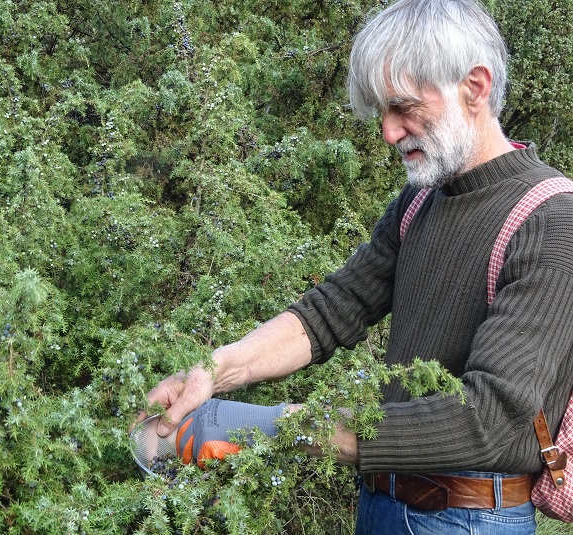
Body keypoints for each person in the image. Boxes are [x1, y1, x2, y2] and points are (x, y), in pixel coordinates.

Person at [145, 0, 573, 532]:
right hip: (381, 504)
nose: (390, 133)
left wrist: (275, 428)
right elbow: (333, 309)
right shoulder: (421, 202)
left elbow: (490, 420)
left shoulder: (553, 220)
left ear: (475, 87)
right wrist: (216, 371)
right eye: (381, 113)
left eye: (405, 107)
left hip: (469, 518)